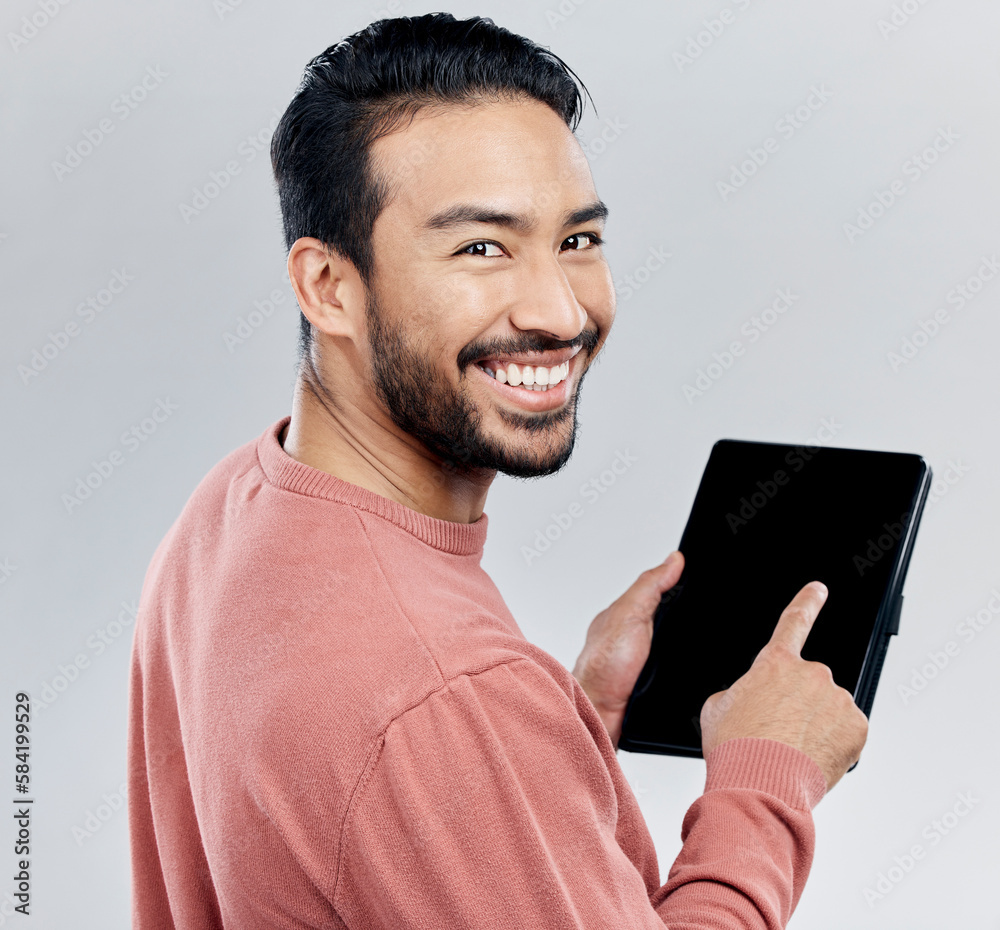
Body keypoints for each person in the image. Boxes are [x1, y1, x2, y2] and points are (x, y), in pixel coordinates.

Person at [127, 13, 867, 928]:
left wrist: (572, 720)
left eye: (577, 240)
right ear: (328, 285)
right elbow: (416, 721)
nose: (559, 311)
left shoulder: (230, 509)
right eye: (482, 247)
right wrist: (766, 783)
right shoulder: (443, 695)